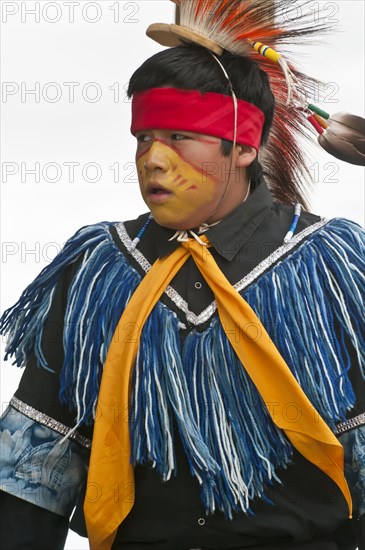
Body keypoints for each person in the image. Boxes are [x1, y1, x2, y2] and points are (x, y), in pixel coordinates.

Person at [0, 3, 364, 550]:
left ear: (243, 145)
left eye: (178, 136)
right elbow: (35, 467)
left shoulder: (331, 266)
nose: (153, 159)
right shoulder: (98, 270)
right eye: (144, 137)